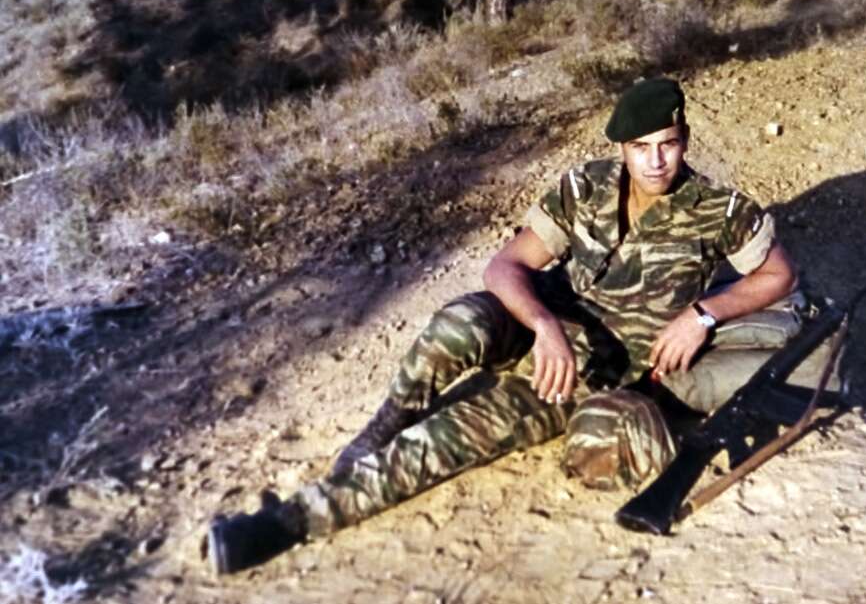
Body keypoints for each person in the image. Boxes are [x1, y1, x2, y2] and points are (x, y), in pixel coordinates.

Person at [206, 77, 808, 574]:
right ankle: (385, 421)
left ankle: (282, 525)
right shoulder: (585, 187)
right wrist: (543, 325)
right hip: (541, 331)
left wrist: (702, 314)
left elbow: (779, 275)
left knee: (448, 440)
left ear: (685, 141)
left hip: (586, 377)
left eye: (669, 144)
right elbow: (505, 266)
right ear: (622, 147)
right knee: (458, 323)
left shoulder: (719, 210)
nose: (656, 160)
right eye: (642, 146)